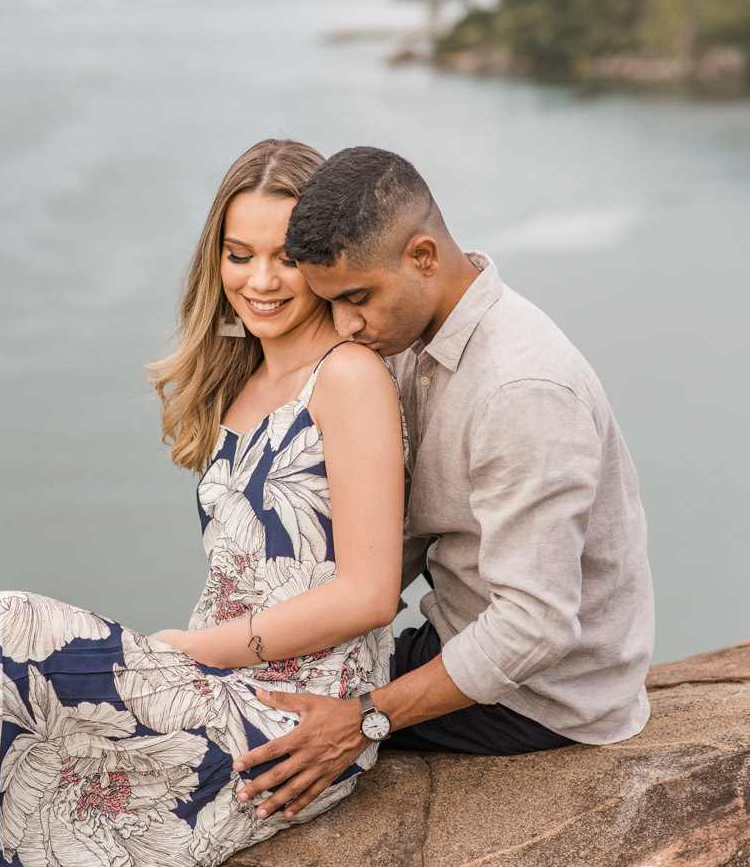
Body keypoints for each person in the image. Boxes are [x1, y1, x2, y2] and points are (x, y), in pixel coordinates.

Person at [0, 139, 407, 867]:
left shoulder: (349, 376)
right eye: (239, 255)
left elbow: (370, 594)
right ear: (215, 259)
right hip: (212, 687)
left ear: (324, 263)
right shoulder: (239, 383)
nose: (260, 280)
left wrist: (181, 651)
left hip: (293, 724)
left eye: (286, 258)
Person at [229, 145, 655, 823]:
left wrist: (362, 718)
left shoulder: (519, 389)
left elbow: (534, 625)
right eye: (331, 304)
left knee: (250, 748)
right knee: (246, 688)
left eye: (356, 299)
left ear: (422, 256)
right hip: (455, 636)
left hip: (542, 697)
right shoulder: (410, 340)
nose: (344, 327)